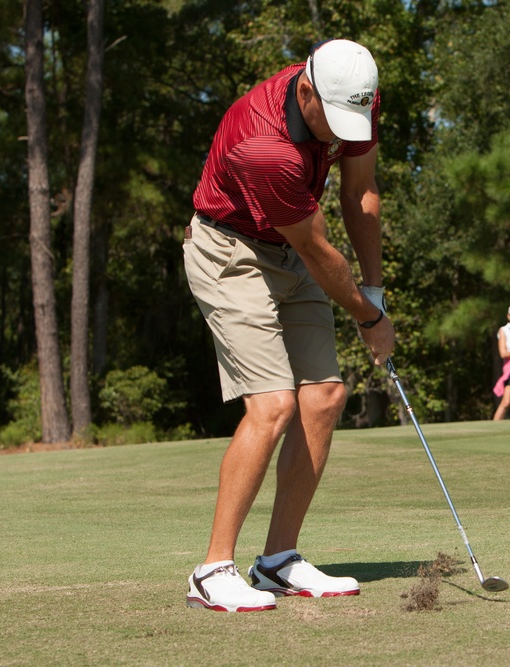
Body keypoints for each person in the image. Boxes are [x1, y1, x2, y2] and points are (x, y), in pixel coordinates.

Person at [182, 39, 395, 612]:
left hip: (292, 249)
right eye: (334, 120)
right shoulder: (263, 145)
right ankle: (212, 569)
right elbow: (318, 247)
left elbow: (360, 191)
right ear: (306, 90)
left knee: (324, 397)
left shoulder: (354, 98)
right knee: (273, 404)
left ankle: (277, 561)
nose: (343, 134)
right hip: (230, 252)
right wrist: (369, 317)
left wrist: (373, 289)